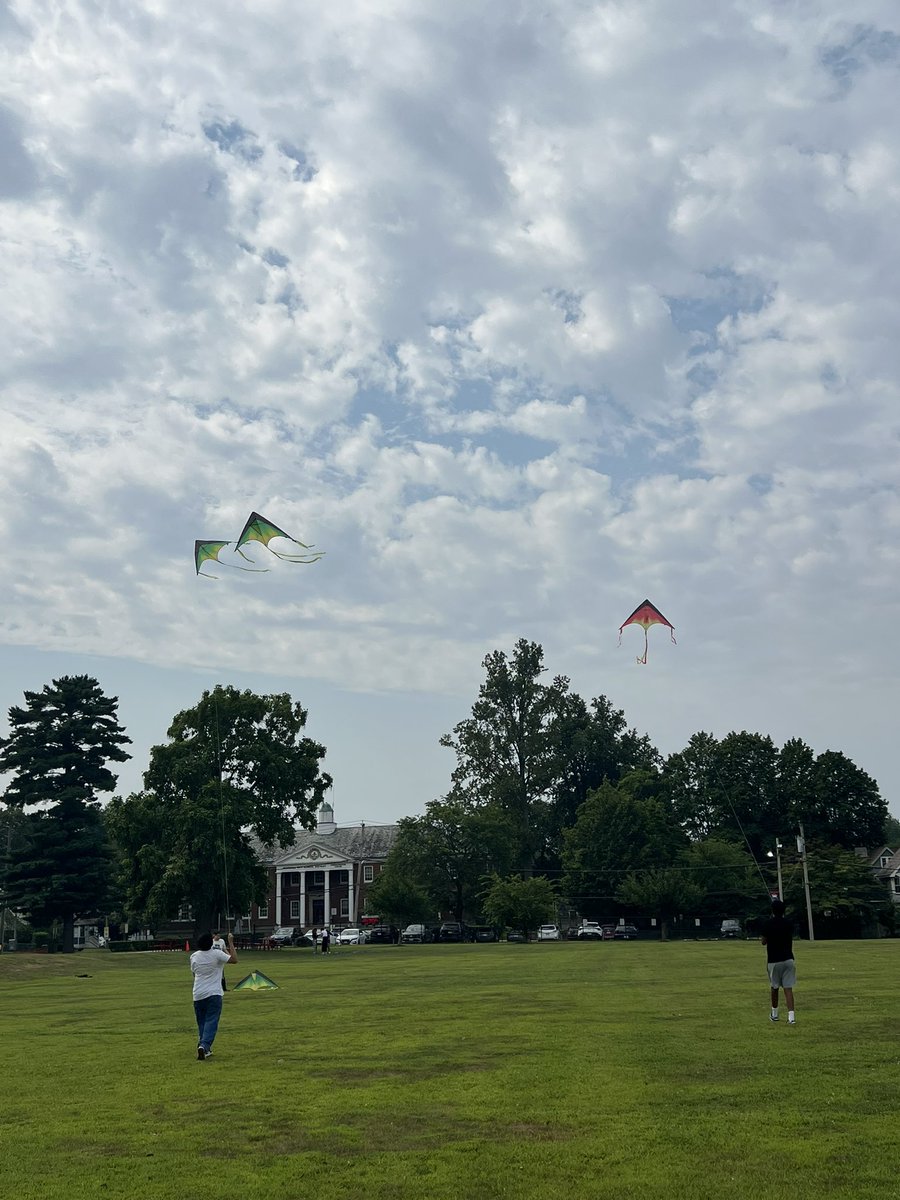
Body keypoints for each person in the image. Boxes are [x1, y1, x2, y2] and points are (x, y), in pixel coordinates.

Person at [190, 931, 237, 1060]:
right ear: (211, 943)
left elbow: (194, 974)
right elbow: (234, 959)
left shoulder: (194, 956)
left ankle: (204, 1048)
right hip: (213, 993)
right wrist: (231, 942)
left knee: (202, 1022)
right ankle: (204, 1046)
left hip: (198, 993)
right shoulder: (216, 954)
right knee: (211, 1020)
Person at [761, 898, 796, 1025]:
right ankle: (791, 1017)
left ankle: (774, 1014)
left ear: (772, 910)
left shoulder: (768, 924)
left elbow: (763, 942)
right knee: (788, 988)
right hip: (788, 959)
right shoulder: (788, 923)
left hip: (774, 960)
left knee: (774, 987)